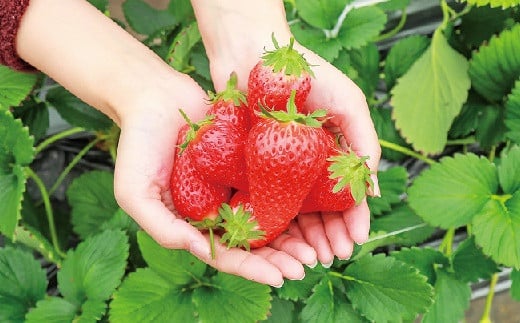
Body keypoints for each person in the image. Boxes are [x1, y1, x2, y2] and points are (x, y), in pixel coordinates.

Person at [1, 0, 381, 288]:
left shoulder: (267, 141)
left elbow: (267, 172)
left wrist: (244, 25)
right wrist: (135, 91)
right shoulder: (272, 144)